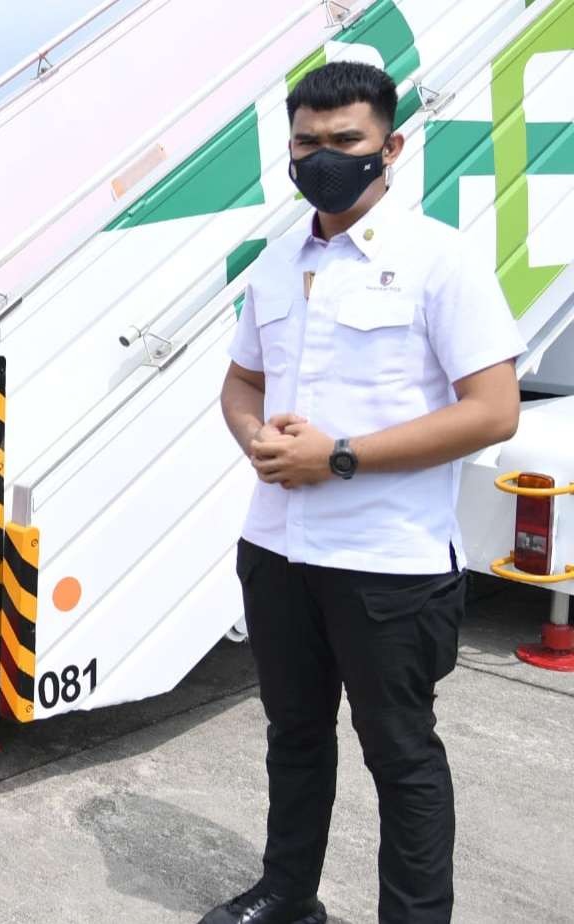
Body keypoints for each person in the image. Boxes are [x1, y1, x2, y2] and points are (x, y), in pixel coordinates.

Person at [209, 62, 524, 924]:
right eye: (306, 142)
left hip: (389, 559)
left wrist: (337, 457)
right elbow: (241, 386)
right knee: (293, 736)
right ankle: (287, 893)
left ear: (391, 146)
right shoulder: (275, 264)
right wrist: (258, 442)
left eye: (344, 141)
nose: (323, 157)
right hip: (277, 548)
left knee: (401, 754)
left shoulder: (440, 261)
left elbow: (492, 412)